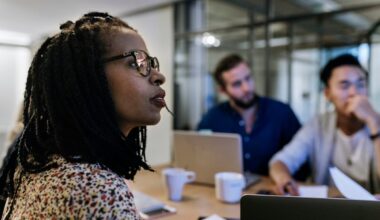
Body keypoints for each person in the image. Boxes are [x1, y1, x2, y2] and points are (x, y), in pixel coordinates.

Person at [0, 12, 167, 219]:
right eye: (136, 62)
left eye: (151, 63)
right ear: (87, 79)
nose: (159, 76)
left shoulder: (43, 160)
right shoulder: (98, 190)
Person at [269, 54, 380, 195]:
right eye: (344, 85)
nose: (354, 93)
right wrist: (284, 179)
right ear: (327, 93)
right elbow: (281, 161)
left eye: (360, 84)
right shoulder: (318, 124)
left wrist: (374, 123)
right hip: (328, 208)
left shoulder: (376, 121)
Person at [197, 54, 302, 176]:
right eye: (237, 84)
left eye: (248, 78)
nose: (246, 88)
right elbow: (200, 158)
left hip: (274, 191)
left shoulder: (282, 112)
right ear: (223, 90)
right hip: (229, 189)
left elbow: (301, 162)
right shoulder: (212, 118)